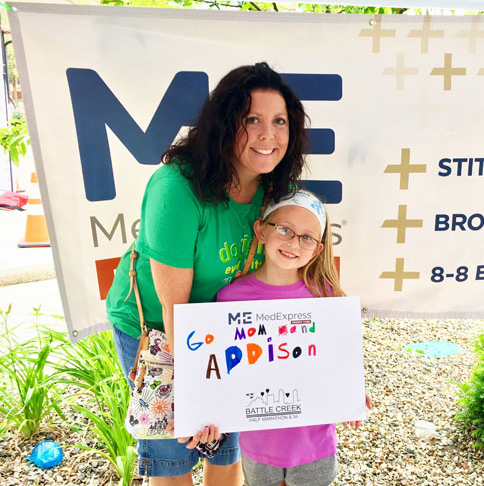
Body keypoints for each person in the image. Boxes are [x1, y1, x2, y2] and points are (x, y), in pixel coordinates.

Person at [105, 62, 310, 485]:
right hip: (160, 330)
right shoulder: (177, 187)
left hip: (226, 329)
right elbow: (175, 309)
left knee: (225, 450)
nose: (267, 135)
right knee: (174, 455)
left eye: (279, 122)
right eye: (251, 119)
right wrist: (202, 397)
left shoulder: (274, 193)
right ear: (224, 123)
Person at [216, 190, 372, 486]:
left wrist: (351, 392)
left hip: (315, 445)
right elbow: (221, 371)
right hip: (257, 446)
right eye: (284, 229)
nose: (293, 243)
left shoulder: (327, 296)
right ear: (261, 230)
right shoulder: (230, 298)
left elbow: (339, 360)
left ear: (317, 249)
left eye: (306, 237)